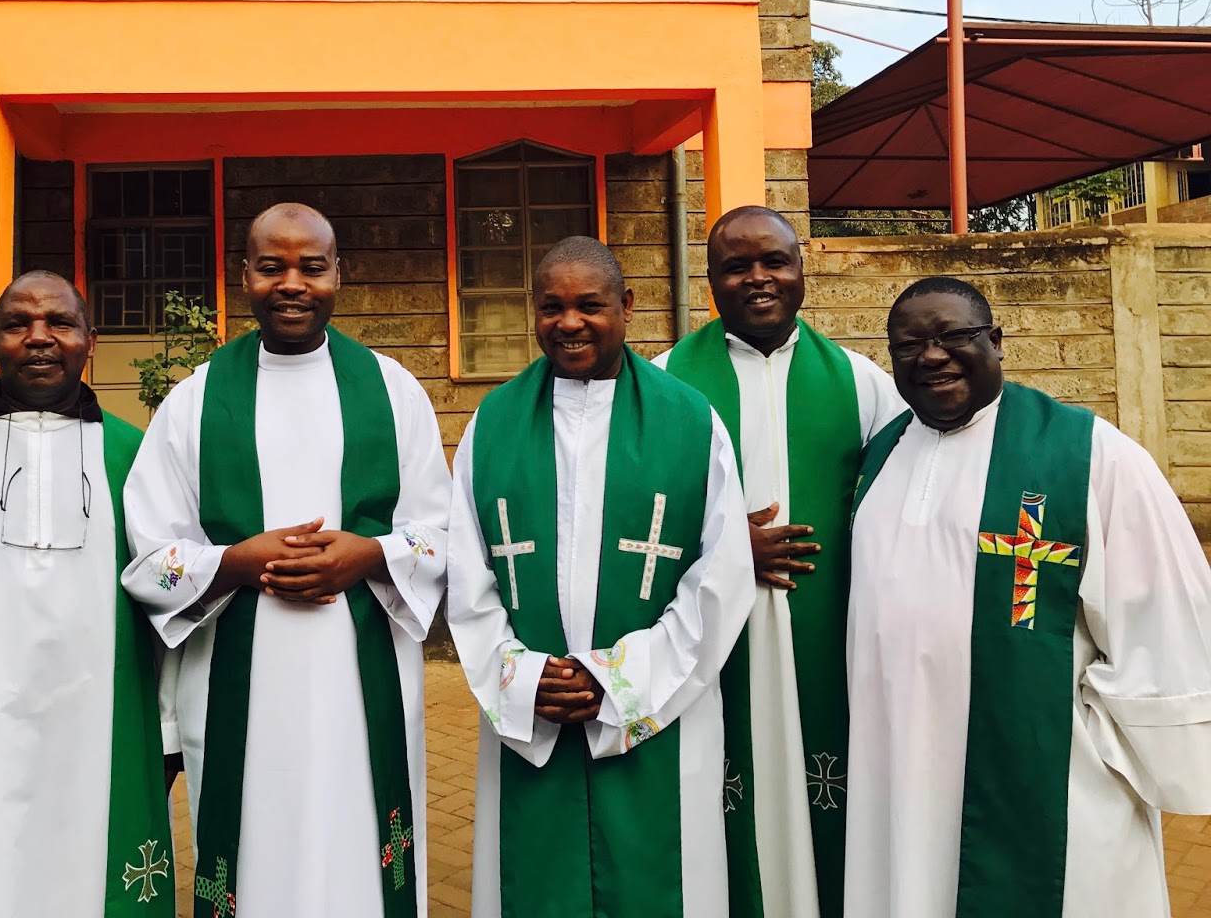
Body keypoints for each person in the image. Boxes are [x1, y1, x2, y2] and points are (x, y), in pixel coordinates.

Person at [845, 275, 1211, 918]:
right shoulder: (881, 455)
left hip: (1051, 770)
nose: (931, 356)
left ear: (997, 341)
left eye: (953, 336)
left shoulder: (1090, 456)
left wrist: (1101, 745)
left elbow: (1166, 617)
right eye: (909, 345)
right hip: (897, 763)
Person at [122, 203, 448, 918]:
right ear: (244, 276)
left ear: (339, 275)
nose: (292, 284)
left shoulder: (393, 391)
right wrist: (235, 563)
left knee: (358, 834)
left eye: (312, 267)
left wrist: (370, 554)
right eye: (272, 267)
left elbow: (442, 532)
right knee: (254, 840)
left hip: (361, 672)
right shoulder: (195, 401)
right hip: (238, 673)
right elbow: (149, 556)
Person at [447, 235, 754, 918]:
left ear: (627, 305)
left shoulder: (690, 421)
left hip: (658, 708)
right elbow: (467, 572)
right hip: (535, 708)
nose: (569, 323)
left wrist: (617, 679)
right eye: (550, 307)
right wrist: (523, 676)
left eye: (589, 305)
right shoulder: (494, 422)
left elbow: (721, 575)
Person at [654, 205, 905, 918]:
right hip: (715, 637)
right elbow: (638, 515)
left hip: (831, 632)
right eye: (736, 266)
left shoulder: (861, 382)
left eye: (774, 261)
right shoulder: (668, 382)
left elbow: (902, 499)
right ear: (710, 281)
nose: (758, 278)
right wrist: (729, 550)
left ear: (802, 269)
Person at [0, 271, 175, 917]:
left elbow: (170, 595)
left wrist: (169, 726)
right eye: (17, 324)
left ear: (91, 340)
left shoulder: (139, 459)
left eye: (59, 322)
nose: (38, 338)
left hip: (103, 722)